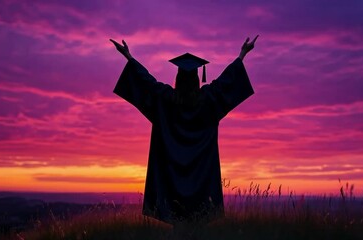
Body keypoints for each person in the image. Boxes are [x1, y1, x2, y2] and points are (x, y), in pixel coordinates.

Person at [110, 35, 258, 237]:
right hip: (201, 174)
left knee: (178, 225)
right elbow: (226, 82)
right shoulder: (208, 100)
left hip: (172, 175)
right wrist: (242, 55)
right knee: (199, 225)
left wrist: (129, 57)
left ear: (178, 78)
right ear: (197, 78)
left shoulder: (166, 100)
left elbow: (146, 83)